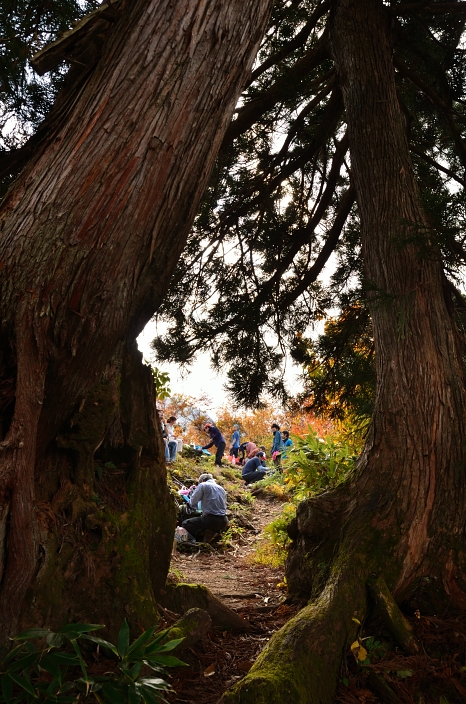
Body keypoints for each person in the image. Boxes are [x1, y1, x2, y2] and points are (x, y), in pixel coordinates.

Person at [182, 473, 228, 541]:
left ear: (203, 480)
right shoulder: (221, 489)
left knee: (185, 524)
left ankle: (197, 541)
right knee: (205, 523)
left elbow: (192, 501)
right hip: (224, 521)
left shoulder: (203, 485)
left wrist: (189, 504)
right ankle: (213, 533)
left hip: (211, 520)